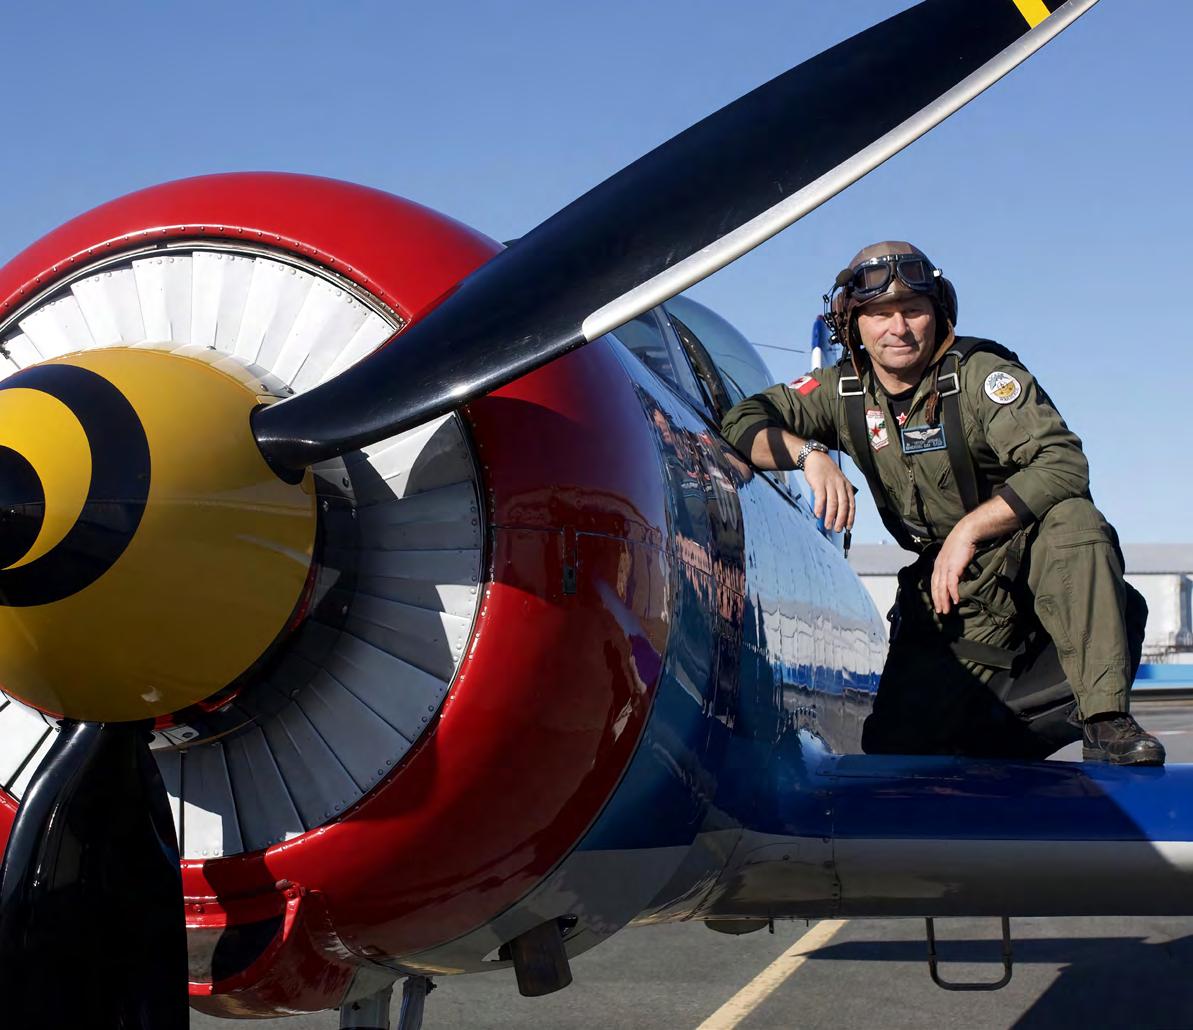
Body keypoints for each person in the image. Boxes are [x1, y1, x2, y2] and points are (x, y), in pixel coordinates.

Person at [721, 242, 1163, 765]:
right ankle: (1008, 734)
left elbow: (1062, 463)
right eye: (880, 314)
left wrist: (968, 529)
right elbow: (743, 421)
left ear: (938, 313)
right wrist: (809, 455)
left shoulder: (978, 375)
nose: (898, 328)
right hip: (950, 593)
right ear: (853, 324)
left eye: (913, 310)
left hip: (1024, 569)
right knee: (896, 759)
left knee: (1073, 520)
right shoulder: (842, 391)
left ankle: (1105, 719)